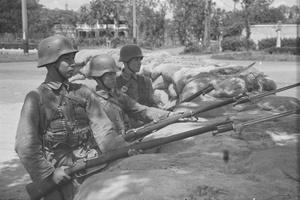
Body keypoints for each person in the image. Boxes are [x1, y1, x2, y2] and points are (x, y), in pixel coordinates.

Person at [15, 35, 139, 200]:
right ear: (52, 63)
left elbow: (104, 130)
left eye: (73, 57)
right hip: (58, 169)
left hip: (89, 161)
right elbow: (25, 145)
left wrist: (125, 148)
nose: (73, 62)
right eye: (66, 58)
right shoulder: (37, 98)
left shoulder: (83, 92)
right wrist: (49, 174)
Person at [87, 54, 172, 136]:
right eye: (109, 74)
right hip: (110, 146)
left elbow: (141, 110)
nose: (114, 77)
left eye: (114, 73)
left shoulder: (118, 95)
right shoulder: (92, 101)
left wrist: (169, 115)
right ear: (97, 77)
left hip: (125, 140)